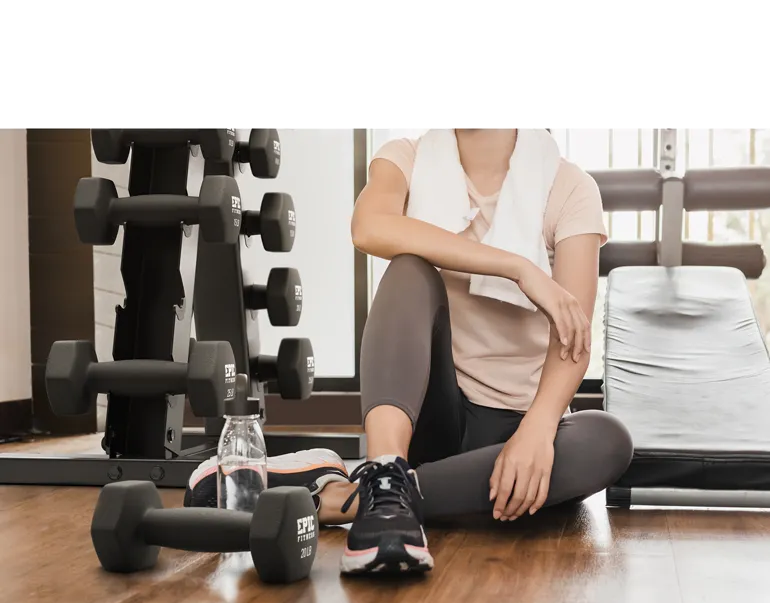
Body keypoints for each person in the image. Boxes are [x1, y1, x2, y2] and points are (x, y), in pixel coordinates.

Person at [187, 128, 634, 579]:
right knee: (408, 269)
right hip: (431, 416)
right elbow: (369, 226)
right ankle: (385, 469)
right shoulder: (404, 158)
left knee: (607, 440)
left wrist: (539, 429)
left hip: (515, 430)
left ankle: (360, 497)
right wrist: (517, 267)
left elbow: (573, 340)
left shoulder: (570, 186)